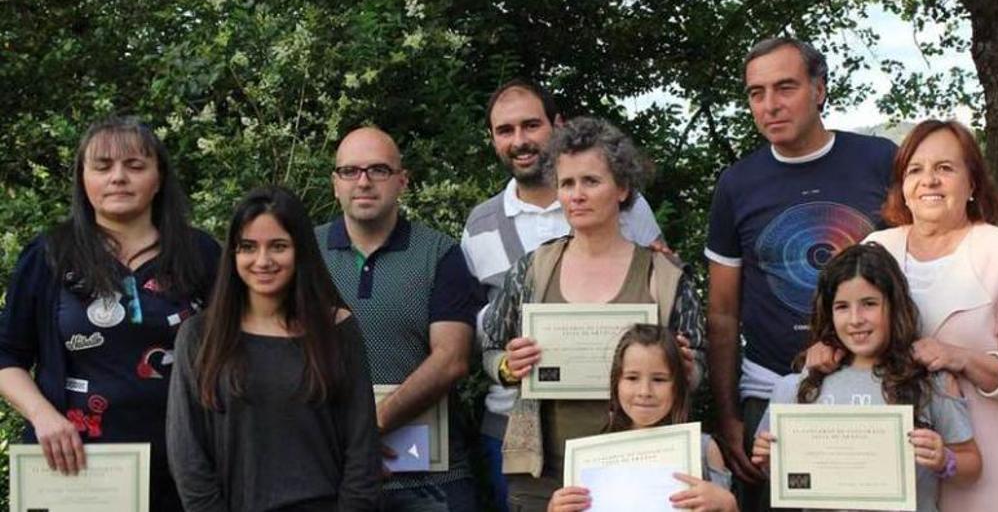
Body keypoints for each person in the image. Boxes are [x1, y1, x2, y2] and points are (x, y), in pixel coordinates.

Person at [805, 120, 998, 511]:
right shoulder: (877, 247)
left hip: (983, 464)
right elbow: (850, 330)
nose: (929, 181)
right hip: (889, 475)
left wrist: (964, 358)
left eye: (945, 168)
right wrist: (826, 348)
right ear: (902, 186)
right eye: (915, 170)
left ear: (972, 183)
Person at [704, 37, 895, 509]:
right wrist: (729, 416)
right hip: (769, 394)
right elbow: (723, 312)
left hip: (873, 392)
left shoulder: (880, 161)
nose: (770, 105)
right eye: (756, 93)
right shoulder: (736, 184)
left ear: (819, 90)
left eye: (785, 87)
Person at [481, 116, 706, 511]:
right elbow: (489, 352)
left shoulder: (665, 276)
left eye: (591, 181)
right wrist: (507, 366)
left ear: (621, 188)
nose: (577, 195)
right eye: (567, 184)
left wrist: (687, 369)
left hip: (641, 469)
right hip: (543, 474)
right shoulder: (532, 269)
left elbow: (699, 365)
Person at [0, 116, 220, 510]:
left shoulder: (200, 254)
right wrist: (42, 416)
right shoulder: (49, 256)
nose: (118, 177)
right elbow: (6, 354)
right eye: (102, 166)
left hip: (186, 468)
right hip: (78, 469)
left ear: (159, 177)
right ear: (83, 178)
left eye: (135, 166)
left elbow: (239, 346)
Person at [167, 186, 380, 511]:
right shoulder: (199, 336)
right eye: (248, 247)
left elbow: (362, 448)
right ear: (233, 254)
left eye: (278, 246)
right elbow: (187, 454)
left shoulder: (337, 330)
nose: (262, 261)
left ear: (300, 251)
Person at [315, 127, 483, 511]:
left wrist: (369, 429)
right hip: (332, 469)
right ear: (335, 183)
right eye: (350, 171)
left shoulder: (441, 254)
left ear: (402, 181)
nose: (363, 182)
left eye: (378, 170)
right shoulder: (305, 253)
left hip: (431, 474)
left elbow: (451, 360)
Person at [751, 243, 981, 512]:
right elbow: (783, 478)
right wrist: (769, 458)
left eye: (869, 304)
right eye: (842, 307)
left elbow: (972, 465)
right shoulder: (796, 387)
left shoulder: (931, 382)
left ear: (894, 305)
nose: (856, 319)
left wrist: (945, 459)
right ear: (828, 312)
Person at [548, 324, 735, 512]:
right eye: (632, 378)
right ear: (616, 383)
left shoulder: (703, 449)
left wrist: (727, 504)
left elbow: (725, 506)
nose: (645, 392)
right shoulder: (590, 456)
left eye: (659, 379)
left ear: (677, 386)